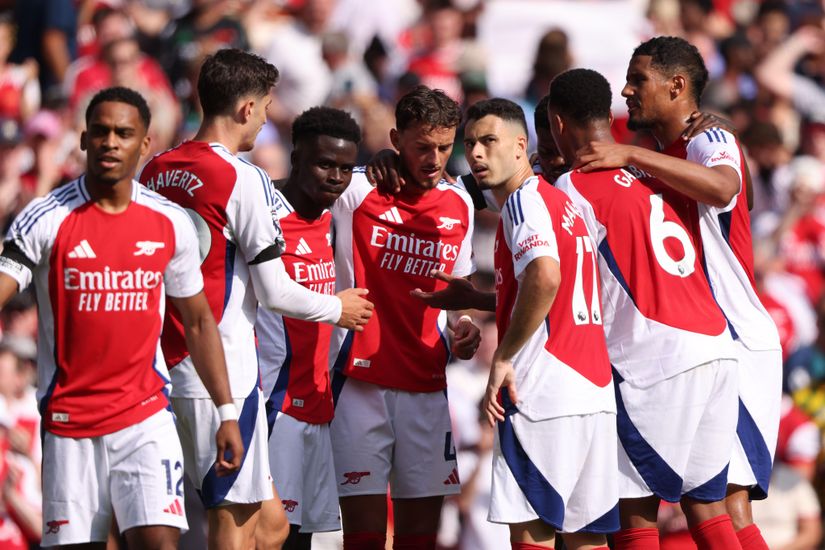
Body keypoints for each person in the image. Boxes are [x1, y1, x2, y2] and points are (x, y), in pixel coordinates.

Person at [139, 49, 373, 550]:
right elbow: (273, 290)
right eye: (266, 107)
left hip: (165, 359)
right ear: (247, 109)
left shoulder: (157, 169)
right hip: (220, 368)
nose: (266, 117)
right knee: (233, 519)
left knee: (271, 526)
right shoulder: (243, 178)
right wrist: (339, 309)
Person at [0, 86, 243, 548]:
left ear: (144, 144)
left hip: (145, 418)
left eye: (124, 133)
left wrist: (226, 411)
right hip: (70, 425)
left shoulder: (170, 222)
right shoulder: (45, 219)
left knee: (158, 542)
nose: (111, 142)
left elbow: (197, 322)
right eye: (101, 131)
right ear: (84, 140)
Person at [574, 36, 782, 550]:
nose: (626, 90)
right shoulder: (670, 151)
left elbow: (724, 188)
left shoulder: (704, 140)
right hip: (704, 336)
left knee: (725, 504)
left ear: (677, 85)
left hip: (736, 332)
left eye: (637, 79)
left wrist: (627, 153)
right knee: (699, 500)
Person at [549, 67, 742, 550]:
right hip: (714, 345)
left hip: (655, 357)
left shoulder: (573, 188)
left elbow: (565, 289)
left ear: (556, 124)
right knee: (709, 506)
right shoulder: (651, 169)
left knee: (631, 511)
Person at [329, 85, 480, 550]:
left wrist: (464, 326)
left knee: (421, 535)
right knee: (365, 533)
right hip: (358, 385)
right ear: (396, 138)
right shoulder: (355, 190)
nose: (435, 158)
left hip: (427, 390)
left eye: (444, 146)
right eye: (422, 147)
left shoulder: (461, 204)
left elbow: (456, 296)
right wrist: (370, 158)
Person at [463, 97, 618, 550]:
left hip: (544, 389)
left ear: (519, 145)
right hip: (593, 390)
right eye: (470, 143)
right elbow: (558, 292)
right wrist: (482, 299)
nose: (475, 153)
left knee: (532, 537)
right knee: (587, 541)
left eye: (488, 141)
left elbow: (546, 275)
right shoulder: (565, 203)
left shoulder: (521, 202)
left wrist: (504, 357)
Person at [255, 106, 362, 550]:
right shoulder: (263, 216)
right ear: (295, 157)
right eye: (324, 164)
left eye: (344, 168)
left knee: (306, 540)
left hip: (317, 408)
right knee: (275, 537)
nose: (335, 177)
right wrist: (334, 307)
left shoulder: (331, 218)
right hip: (275, 407)